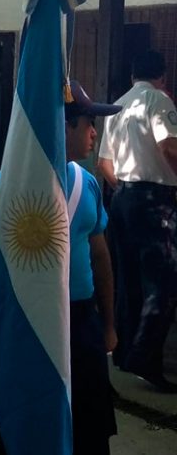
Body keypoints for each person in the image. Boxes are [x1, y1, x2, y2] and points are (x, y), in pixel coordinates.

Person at [0, 80, 119, 454]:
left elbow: (99, 255)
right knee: (27, 425)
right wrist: (30, 259)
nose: (94, 132)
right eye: (87, 123)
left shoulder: (87, 185)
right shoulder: (4, 189)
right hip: (29, 321)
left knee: (91, 425)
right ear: (61, 125)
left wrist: (109, 324)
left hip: (81, 322)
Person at [96, 50, 177, 391]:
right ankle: (146, 355)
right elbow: (170, 148)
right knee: (165, 281)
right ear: (162, 76)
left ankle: (127, 352)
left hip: (123, 197)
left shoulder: (117, 105)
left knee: (128, 278)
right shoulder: (159, 100)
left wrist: (128, 189)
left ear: (132, 76)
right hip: (155, 199)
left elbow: (104, 164)